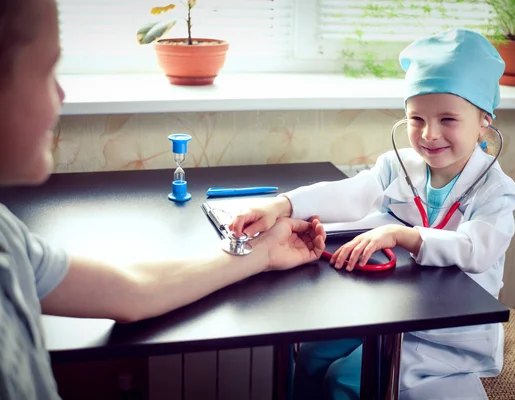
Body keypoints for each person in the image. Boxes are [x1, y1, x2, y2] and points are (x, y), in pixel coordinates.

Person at [0, 0, 327, 398]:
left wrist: (261, 252)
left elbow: (131, 290)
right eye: (46, 68)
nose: (61, 94)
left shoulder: (7, 238)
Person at [229, 28, 515, 399]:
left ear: (484, 121)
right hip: (392, 306)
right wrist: (281, 205)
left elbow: (477, 249)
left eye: (448, 119)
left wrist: (401, 236)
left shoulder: (496, 189)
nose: (429, 134)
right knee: (312, 355)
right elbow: (353, 193)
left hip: (441, 332)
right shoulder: (400, 165)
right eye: (416, 119)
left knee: (346, 381)